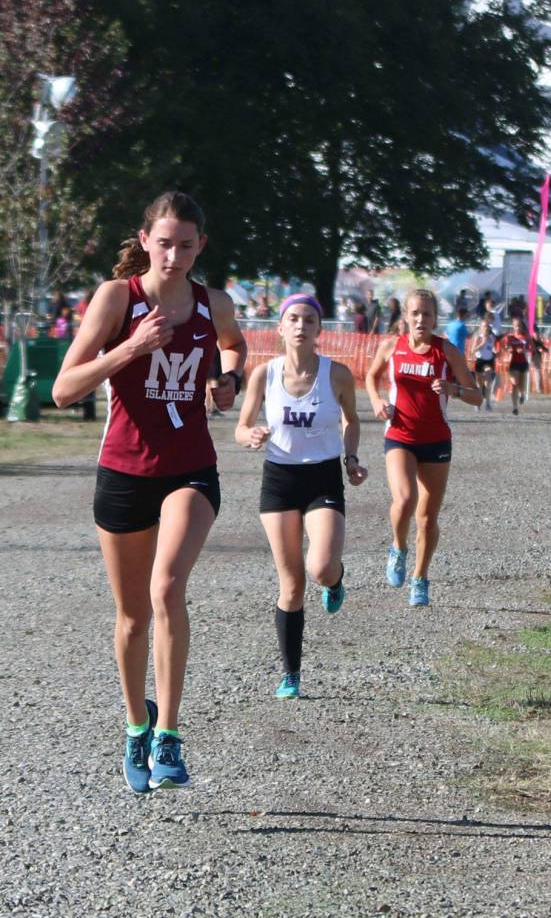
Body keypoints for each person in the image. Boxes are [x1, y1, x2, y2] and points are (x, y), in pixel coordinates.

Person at [52, 191, 247, 793]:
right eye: (164, 243)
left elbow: (234, 342)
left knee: (168, 588)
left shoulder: (213, 302)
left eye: (186, 245)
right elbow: (64, 390)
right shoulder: (118, 299)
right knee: (133, 616)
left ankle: (171, 736)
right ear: (144, 241)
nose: (174, 255)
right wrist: (132, 348)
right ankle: (138, 725)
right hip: (124, 471)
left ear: (200, 247)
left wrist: (228, 378)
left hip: (189, 467)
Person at [235, 293, 368, 700]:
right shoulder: (263, 374)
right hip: (279, 480)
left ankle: (337, 580)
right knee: (290, 584)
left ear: (318, 329)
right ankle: (291, 673)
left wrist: (351, 458)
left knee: (322, 568)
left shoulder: (338, 375)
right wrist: (251, 435)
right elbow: (240, 427)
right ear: (280, 327)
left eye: (308, 320)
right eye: (292, 318)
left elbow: (351, 419)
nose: (300, 325)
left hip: (324, 477)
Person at [365, 289, 481, 607]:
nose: (420, 319)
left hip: (436, 440)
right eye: (415, 313)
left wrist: (454, 389)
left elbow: (477, 396)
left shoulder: (447, 352)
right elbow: (371, 376)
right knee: (404, 500)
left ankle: (420, 578)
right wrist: (376, 401)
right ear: (406, 316)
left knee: (428, 517)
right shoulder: (391, 346)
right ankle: (398, 547)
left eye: (427, 314)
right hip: (400, 435)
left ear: (435, 319)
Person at [501, 317, 531, 414]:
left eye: (519, 326)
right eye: (516, 326)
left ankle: (522, 394)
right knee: (514, 384)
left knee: (521, 385)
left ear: (522, 327)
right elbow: (505, 348)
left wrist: (524, 351)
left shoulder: (525, 337)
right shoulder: (509, 337)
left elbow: (531, 349)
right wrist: (508, 349)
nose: (517, 328)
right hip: (513, 363)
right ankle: (515, 407)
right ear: (513, 327)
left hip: (522, 362)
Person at [470, 316, 498, 411]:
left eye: (487, 326)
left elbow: (492, 348)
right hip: (479, 360)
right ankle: (477, 403)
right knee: (479, 384)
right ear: (481, 327)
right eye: (484, 326)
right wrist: (482, 343)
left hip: (489, 361)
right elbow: (472, 350)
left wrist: (495, 351)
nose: (486, 328)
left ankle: (488, 403)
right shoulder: (478, 336)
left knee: (488, 382)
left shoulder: (492, 337)